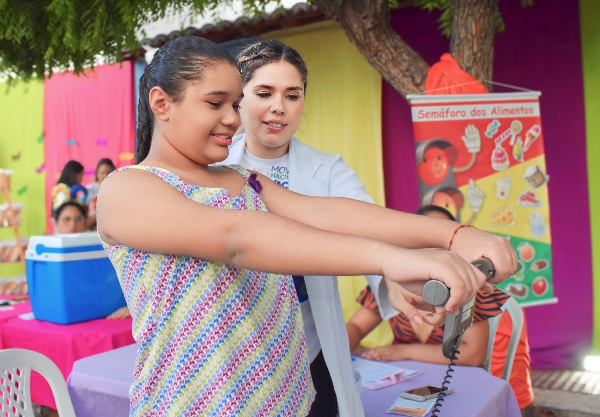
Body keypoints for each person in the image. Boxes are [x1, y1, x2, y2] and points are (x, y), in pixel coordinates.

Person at [96, 36, 518, 417]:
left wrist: (454, 235)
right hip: (195, 403)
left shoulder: (239, 180)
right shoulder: (128, 189)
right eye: (215, 103)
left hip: (286, 399)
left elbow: (325, 214)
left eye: (235, 103)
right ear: (161, 102)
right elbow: (236, 238)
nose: (233, 119)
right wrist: (393, 259)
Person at [217, 39, 378, 416]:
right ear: (240, 98)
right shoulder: (214, 169)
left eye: (292, 95)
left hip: (313, 346)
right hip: (239, 347)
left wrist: (402, 277)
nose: (279, 107)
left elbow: (368, 224)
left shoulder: (328, 171)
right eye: (264, 92)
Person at [346, 205, 533, 413]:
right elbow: (356, 325)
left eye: (441, 242)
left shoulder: (467, 287)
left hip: (458, 386)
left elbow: (472, 354)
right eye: (426, 240)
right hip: (410, 383)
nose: (433, 250)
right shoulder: (392, 282)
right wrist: (336, 354)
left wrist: (402, 351)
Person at [52, 198, 131, 320]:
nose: (72, 224)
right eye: (67, 219)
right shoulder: (50, 251)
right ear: (56, 223)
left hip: (106, 313)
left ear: (85, 222)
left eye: (78, 219)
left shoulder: (104, 247)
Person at [85, 158, 116, 229]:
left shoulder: (117, 190)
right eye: (102, 173)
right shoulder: (89, 189)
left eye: (108, 172)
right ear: (97, 173)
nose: (105, 176)